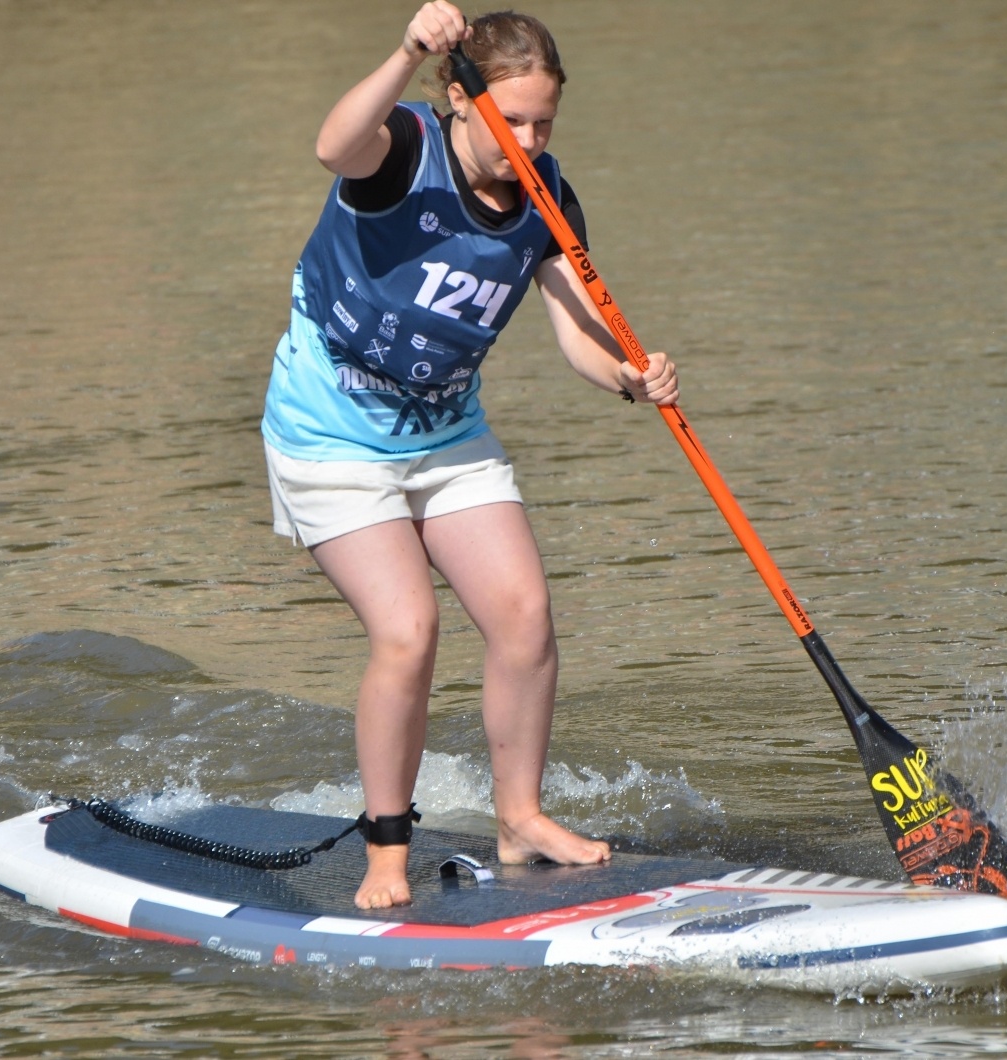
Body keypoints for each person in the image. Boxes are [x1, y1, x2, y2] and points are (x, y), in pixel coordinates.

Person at [261, 2, 680, 910]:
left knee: (524, 616)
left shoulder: (547, 197)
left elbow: (579, 329)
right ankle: (385, 853)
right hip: (332, 433)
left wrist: (627, 376)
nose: (528, 142)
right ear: (459, 99)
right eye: (511, 120)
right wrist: (406, 50)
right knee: (409, 631)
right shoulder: (403, 151)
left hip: (446, 434)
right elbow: (333, 146)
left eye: (543, 123)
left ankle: (520, 819)